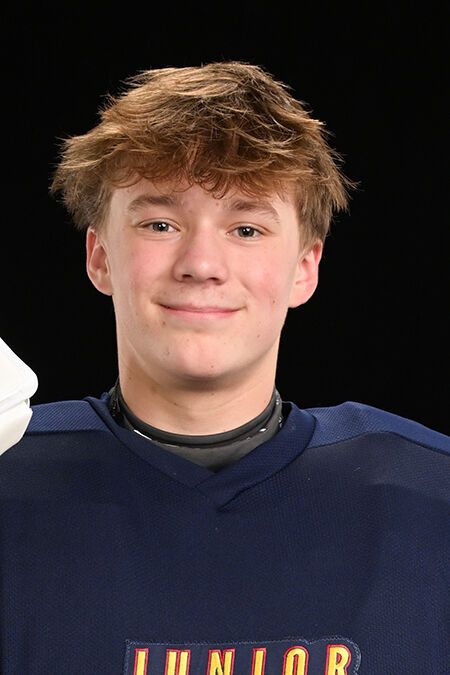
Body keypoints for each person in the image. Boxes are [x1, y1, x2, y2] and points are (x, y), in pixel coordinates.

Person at [0, 61, 448, 675]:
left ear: (305, 268)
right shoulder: (9, 477)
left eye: (246, 228)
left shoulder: (429, 499)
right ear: (100, 256)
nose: (202, 264)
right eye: (160, 224)